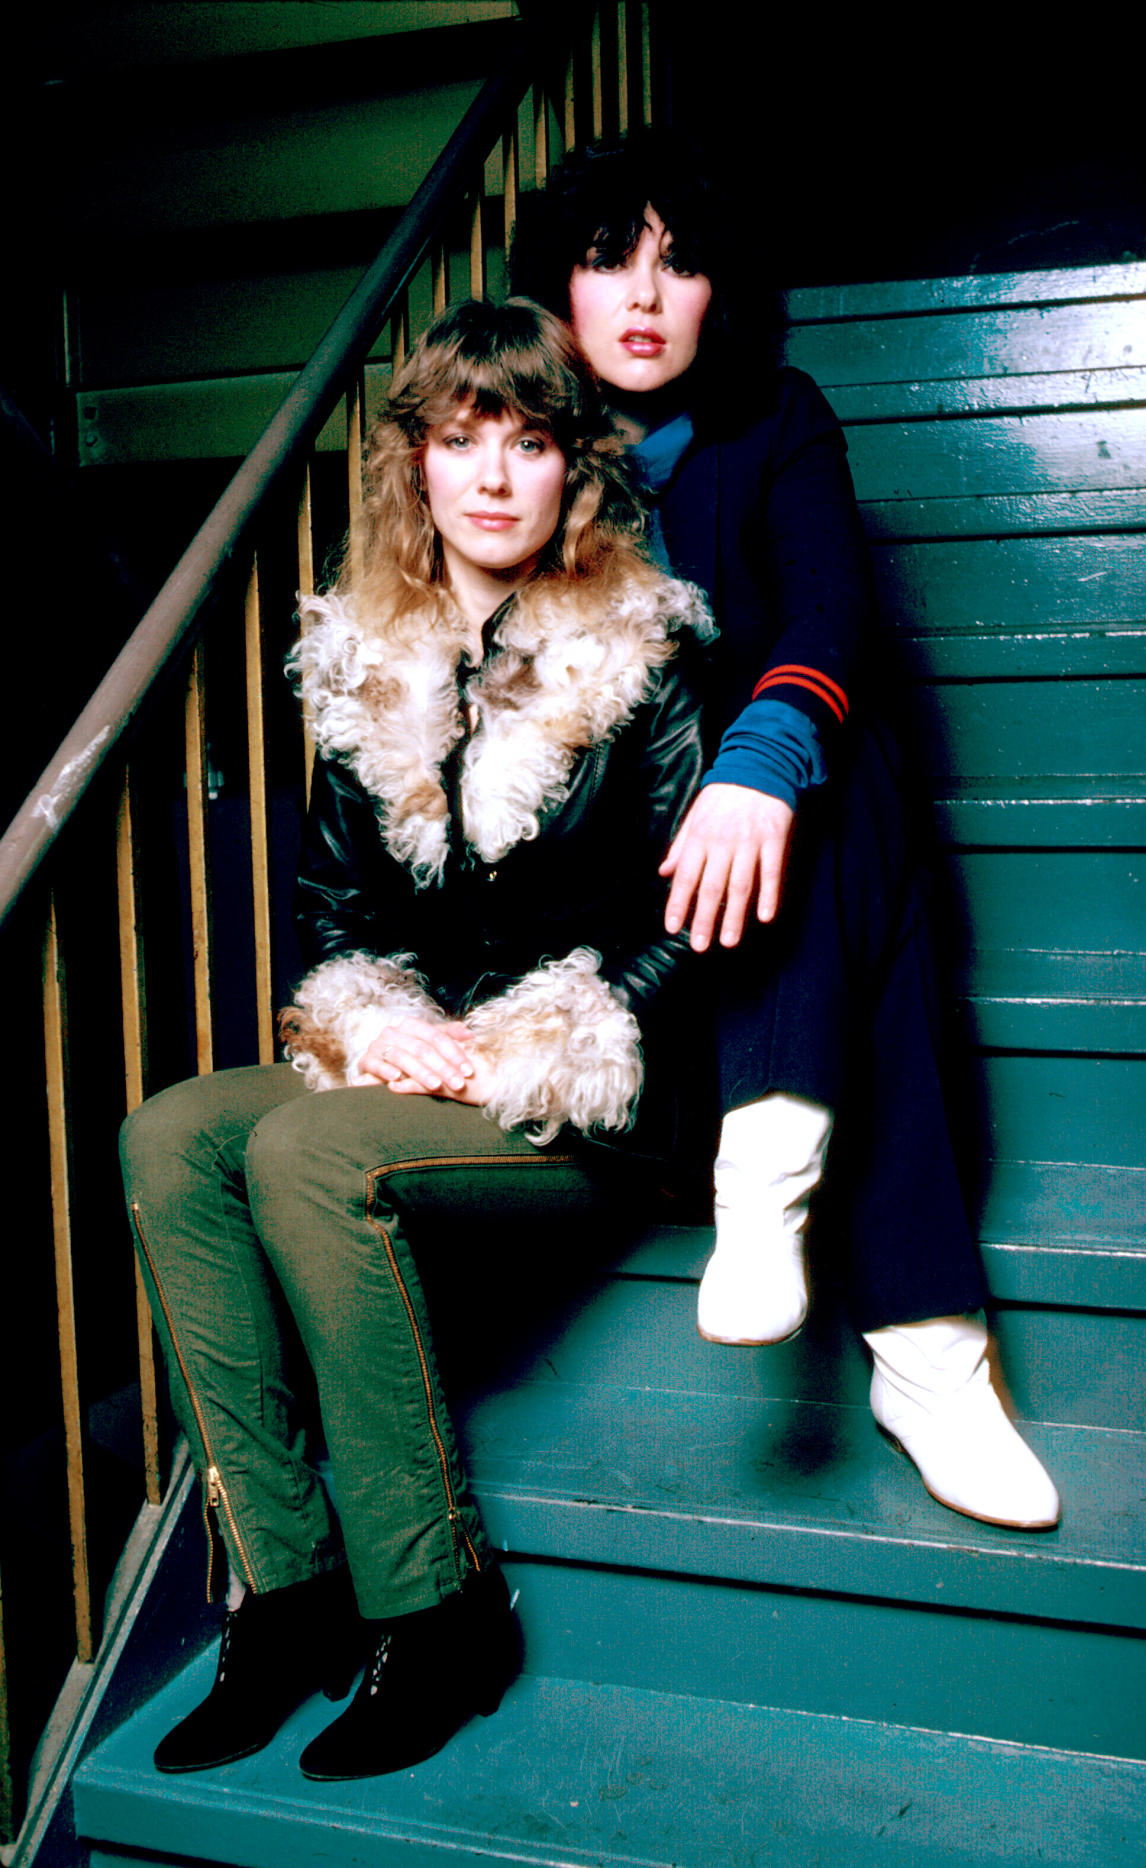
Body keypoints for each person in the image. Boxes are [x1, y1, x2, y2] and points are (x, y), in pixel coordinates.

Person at [119, 298, 710, 1782]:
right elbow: (331, 916)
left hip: (600, 1090)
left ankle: (439, 1607)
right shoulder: (366, 659)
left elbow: (698, 929)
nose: (494, 476)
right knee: (172, 1132)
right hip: (424, 1067)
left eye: (527, 440)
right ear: (416, 467)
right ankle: (290, 1591)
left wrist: (529, 1039)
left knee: (312, 1150)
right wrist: (378, 1025)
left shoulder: (642, 654)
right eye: (461, 441)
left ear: (575, 466)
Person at [514, 135, 1060, 1531]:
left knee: (834, 759)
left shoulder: (776, 421)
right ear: (558, 290)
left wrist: (760, 758)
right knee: (820, 798)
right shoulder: (514, 452)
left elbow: (828, 613)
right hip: (630, 914)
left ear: (720, 295)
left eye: (679, 264)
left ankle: (773, 1170)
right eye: (607, 260)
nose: (643, 296)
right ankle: (931, 1350)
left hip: (776, 863)